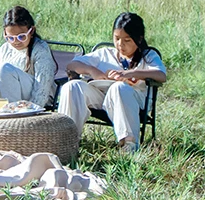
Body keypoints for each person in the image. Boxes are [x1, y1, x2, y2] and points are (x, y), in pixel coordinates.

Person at [57, 11, 166, 154]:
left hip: (133, 100)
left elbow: (161, 75)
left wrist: (131, 73)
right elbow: (72, 65)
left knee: (119, 87)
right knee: (72, 86)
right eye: (117, 38)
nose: (120, 44)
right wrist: (93, 71)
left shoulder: (148, 56)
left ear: (139, 39)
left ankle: (128, 145)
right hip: (102, 96)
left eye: (127, 40)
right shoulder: (105, 54)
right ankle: (66, 141)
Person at [0, 6, 57, 116]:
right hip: (10, 96)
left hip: (35, 99)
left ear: (31, 31)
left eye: (21, 37)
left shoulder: (40, 49)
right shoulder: (5, 48)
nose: (16, 41)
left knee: (4, 69)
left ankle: (14, 117)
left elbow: (43, 87)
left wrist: (31, 111)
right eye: (11, 38)